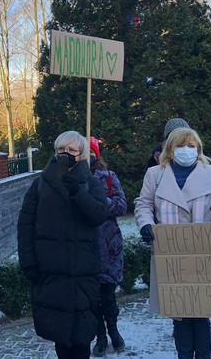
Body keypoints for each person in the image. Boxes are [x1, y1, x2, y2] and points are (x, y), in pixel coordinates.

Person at [135, 127, 211, 359]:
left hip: (202, 253)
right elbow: (143, 203)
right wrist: (145, 223)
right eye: (180, 146)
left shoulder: (210, 173)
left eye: (191, 146)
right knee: (180, 314)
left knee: (202, 314)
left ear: (199, 149)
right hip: (170, 254)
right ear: (170, 149)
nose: (186, 150)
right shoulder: (155, 174)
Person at [18, 131, 109, 359]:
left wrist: (77, 192)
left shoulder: (91, 183)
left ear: (81, 154)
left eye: (71, 150)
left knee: (81, 339)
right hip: (52, 274)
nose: (66, 154)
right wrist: (29, 263)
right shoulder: (40, 184)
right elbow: (25, 224)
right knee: (61, 339)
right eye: (61, 150)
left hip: (83, 274)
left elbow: (99, 215)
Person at [88, 137, 128, 357]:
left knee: (108, 298)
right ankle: (100, 337)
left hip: (109, 247)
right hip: (85, 250)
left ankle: (113, 329)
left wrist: (100, 200)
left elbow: (122, 205)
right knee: (92, 301)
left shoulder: (109, 178)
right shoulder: (73, 180)